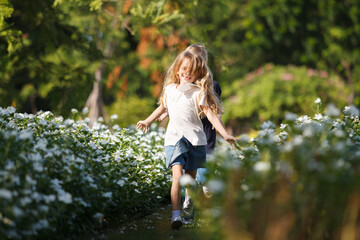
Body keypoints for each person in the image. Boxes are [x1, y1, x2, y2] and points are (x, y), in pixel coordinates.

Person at [137, 49, 236, 230]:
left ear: (198, 73)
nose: (187, 73)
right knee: (177, 178)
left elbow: (211, 115)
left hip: (196, 141)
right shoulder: (169, 90)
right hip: (174, 140)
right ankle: (176, 215)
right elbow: (161, 108)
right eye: (184, 69)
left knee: (189, 182)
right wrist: (147, 120)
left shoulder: (199, 92)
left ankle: (188, 209)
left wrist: (225, 134)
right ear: (177, 69)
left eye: (192, 71)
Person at [156, 44, 222, 223]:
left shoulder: (209, 86)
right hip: (180, 133)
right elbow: (176, 104)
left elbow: (213, 110)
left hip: (203, 130)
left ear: (201, 66)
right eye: (185, 65)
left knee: (197, 167)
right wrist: (163, 113)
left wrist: (220, 126)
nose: (188, 70)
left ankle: (203, 183)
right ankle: (180, 211)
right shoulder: (173, 88)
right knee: (180, 173)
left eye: (194, 65)